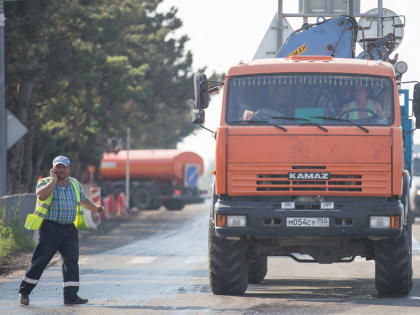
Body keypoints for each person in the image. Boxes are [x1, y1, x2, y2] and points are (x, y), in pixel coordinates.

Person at [18, 156, 104, 306]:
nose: (60, 170)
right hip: (50, 229)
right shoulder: (45, 182)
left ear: (68, 169)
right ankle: (24, 293)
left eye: (63, 167)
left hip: (69, 230)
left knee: (71, 263)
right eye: (57, 167)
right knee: (40, 261)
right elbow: (41, 195)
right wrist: (53, 181)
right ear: (53, 169)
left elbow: (84, 200)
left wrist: (96, 208)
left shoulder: (75, 184)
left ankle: (71, 297)